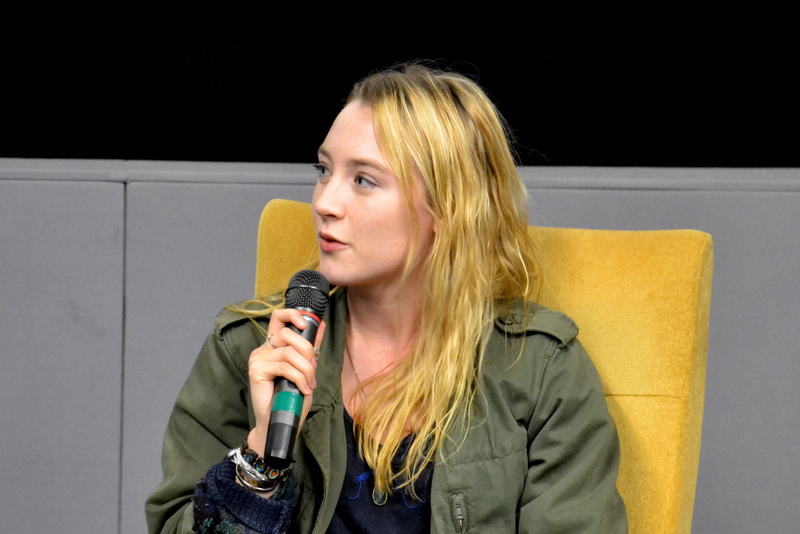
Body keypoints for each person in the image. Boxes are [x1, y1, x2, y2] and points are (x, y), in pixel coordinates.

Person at [146, 61, 628, 533]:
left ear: (448, 207)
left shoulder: (541, 370)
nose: (323, 203)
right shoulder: (248, 350)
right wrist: (262, 456)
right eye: (323, 170)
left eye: (363, 180)